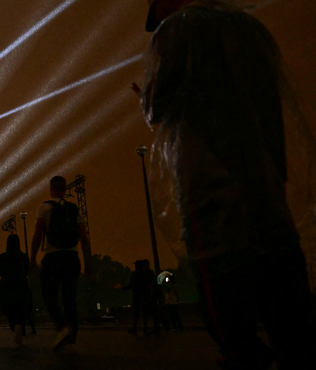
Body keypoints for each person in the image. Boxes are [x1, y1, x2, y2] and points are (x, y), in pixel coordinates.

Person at [140, 0, 316, 368]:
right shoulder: (252, 29)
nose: (157, 18)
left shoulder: (176, 33)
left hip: (210, 181)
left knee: (224, 289)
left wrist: (146, 97)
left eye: (157, 9)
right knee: (285, 290)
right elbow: (273, 104)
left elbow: (158, 106)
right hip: (264, 178)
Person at [29, 175, 93, 352]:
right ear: (65, 190)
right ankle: (71, 335)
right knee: (69, 297)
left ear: (51, 189)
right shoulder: (74, 209)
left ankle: (63, 325)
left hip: (53, 255)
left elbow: (37, 235)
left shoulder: (44, 208)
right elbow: (84, 238)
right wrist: (88, 264)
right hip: (72, 257)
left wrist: (32, 258)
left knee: (49, 295)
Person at [0, 234, 31, 346]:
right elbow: (26, 271)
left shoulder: (3, 257)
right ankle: (20, 326)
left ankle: (14, 327)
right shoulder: (23, 256)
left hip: (7, 286)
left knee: (9, 310)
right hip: (21, 285)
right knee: (21, 309)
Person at [117, 260, 159, 335]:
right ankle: (145, 328)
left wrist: (122, 288)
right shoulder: (148, 274)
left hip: (137, 296)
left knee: (136, 313)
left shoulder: (135, 274)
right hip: (146, 296)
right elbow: (153, 283)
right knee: (145, 313)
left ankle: (135, 328)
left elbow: (131, 285)